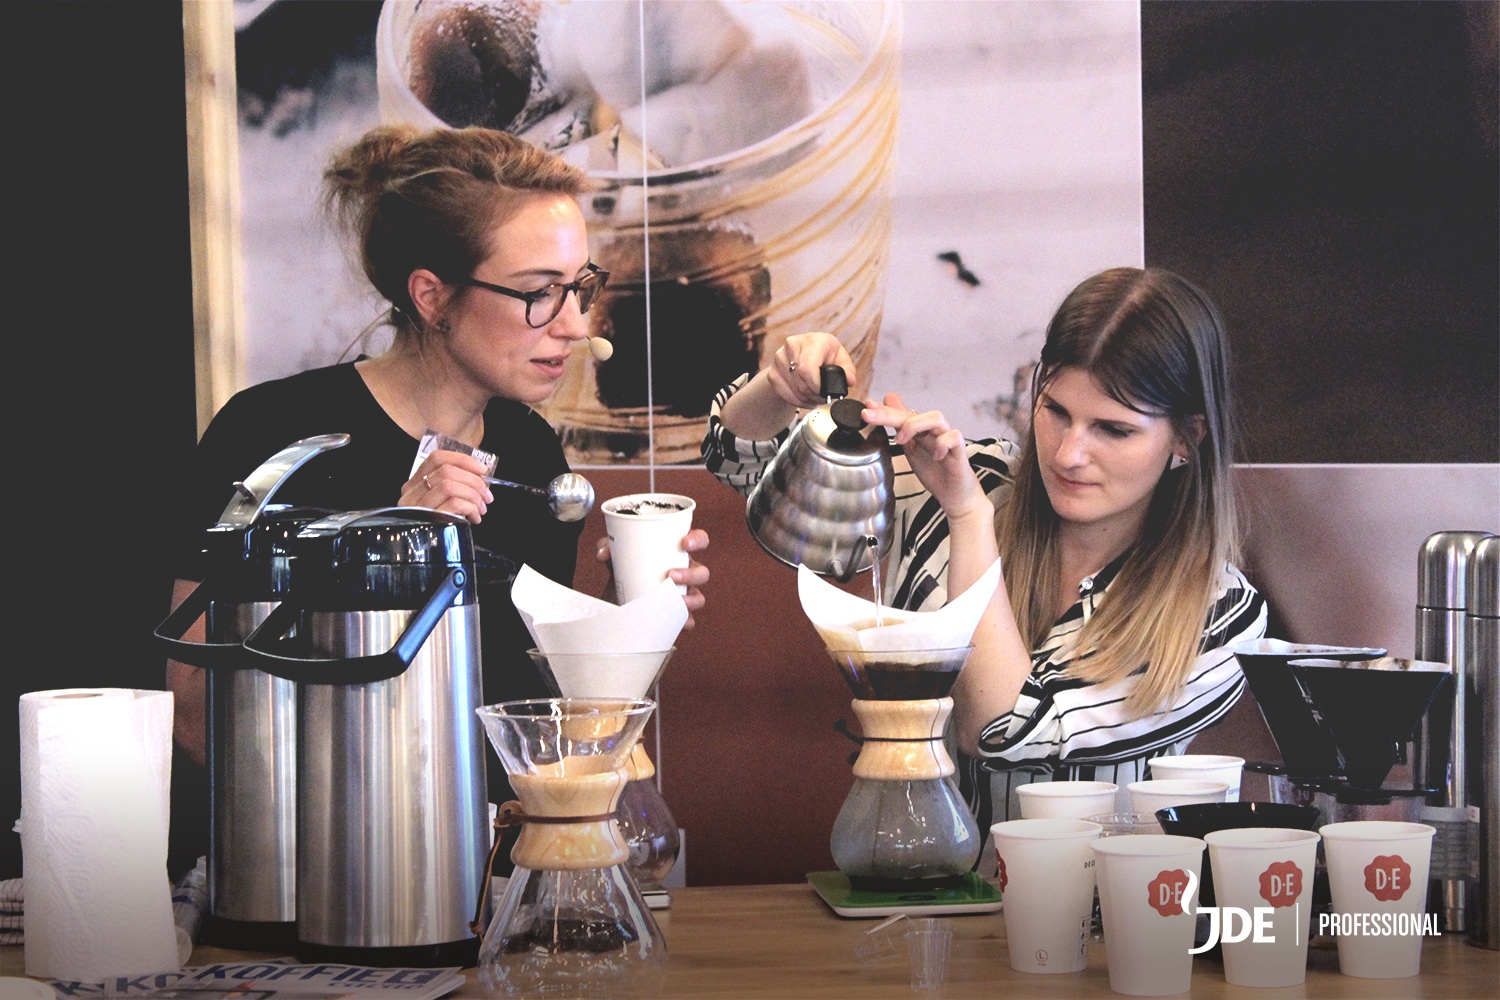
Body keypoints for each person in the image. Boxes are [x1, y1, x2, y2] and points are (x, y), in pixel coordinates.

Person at [165, 125, 710, 874]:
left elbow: (541, 726)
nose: (576, 326)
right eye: (538, 293)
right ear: (431, 297)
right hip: (317, 880)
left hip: (493, 877)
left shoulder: (531, 455)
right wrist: (390, 555)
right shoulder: (273, 436)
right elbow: (195, 713)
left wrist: (623, 614)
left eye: (579, 287)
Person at [703, 266, 1266, 844]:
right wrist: (782, 386)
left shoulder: (1219, 617)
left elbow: (1001, 732)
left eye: (1113, 430)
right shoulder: (976, 477)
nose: (1069, 454)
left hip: (1098, 898)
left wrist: (969, 516)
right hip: (912, 879)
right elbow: (742, 461)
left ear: (1187, 436)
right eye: (1056, 411)